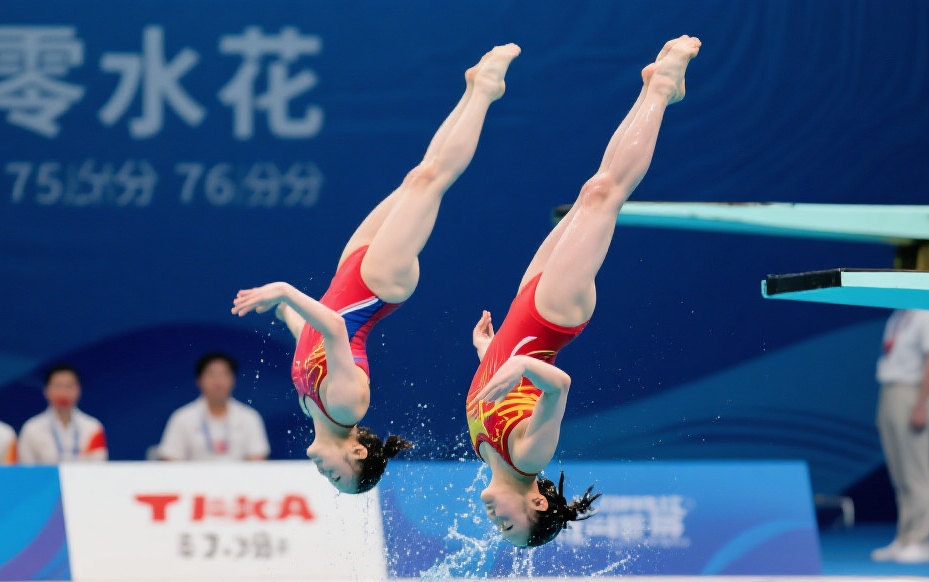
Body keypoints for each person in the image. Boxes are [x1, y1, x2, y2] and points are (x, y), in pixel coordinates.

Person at [233, 44, 521, 494]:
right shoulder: (347, 408)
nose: (325, 474)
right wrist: (285, 292)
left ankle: (472, 90)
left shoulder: (312, 407)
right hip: (377, 286)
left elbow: (311, 339)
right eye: (338, 475)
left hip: (351, 274)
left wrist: (284, 313)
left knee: (418, 177)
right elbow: (333, 328)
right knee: (431, 182)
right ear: (358, 453)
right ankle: (486, 91)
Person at [467, 36, 701, 547]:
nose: (493, 520)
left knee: (591, 190)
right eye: (508, 524)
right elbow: (558, 385)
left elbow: (512, 387)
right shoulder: (528, 456)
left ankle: (657, 89)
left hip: (524, 311)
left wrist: (489, 352)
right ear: (537, 503)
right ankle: (662, 86)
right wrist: (517, 363)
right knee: (604, 195)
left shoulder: (487, 451)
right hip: (552, 318)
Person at [870, 309, 929, 564]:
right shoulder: (896, 317)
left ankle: (921, 541)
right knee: (900, 474)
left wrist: (921, 403)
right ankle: (905, 538)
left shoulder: (927, 316)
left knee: (916, 473)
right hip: (890, 391)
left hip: (913, 394)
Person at [157, 352, 270, 461]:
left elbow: (258, 460)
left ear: (233, 380)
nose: (218, 382)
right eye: (211, 375)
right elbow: (171, 460)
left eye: (224, 374)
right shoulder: (182, 418)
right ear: (199, 380)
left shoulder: (249, 417)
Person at [17, 365, 107, 464]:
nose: (63, 392)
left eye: (69, 386)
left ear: (79, 390)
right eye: (58, 386)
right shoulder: (32, 428)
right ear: (46, 391)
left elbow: (99, 467)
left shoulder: (93, 427)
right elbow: (25, 468)